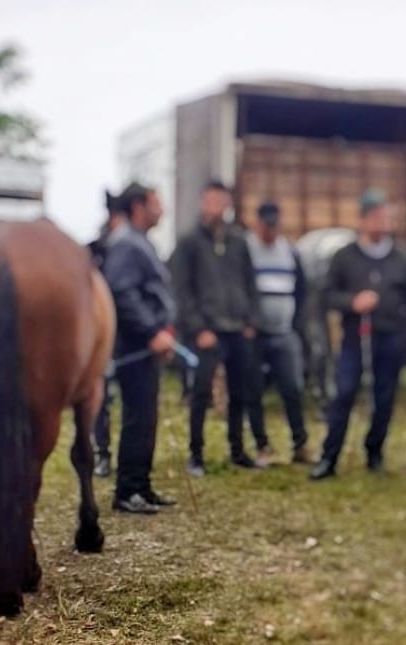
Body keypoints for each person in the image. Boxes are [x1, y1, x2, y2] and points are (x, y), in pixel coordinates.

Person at [310, 189, 406, 480]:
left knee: (384, 399)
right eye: (376, 217)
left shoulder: (403, 258)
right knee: (344, 393)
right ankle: (329, 457)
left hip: (390, 339)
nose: (383, 222)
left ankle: (374, 452)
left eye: (387, 217)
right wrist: (352, 302)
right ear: (362, 220)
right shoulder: (345, 256)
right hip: (355, 339)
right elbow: (326, 296)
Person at [172, 180, 262, 476]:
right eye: (211, 201)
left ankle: (238, 449)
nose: (216, 207)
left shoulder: (238, 240)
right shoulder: (189, 242)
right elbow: (182, 290)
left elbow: (250, 282)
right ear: (203, 203)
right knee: (200, 393)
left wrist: (251, 320)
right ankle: (196, 454)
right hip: (207, 330)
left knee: (240, 391)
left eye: (221, 201)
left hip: (238, 328)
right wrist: (198, 328)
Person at [103, 182, 177, 514]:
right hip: (134, 347)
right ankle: (127, 490)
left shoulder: (140, 242)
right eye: (155, 204)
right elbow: (122, 293)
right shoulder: (126, 244)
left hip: (148, 345)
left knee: (146, 417)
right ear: (138, 207)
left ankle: (141, 486)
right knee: (136, 418)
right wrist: (151, 332)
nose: (162, 210)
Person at [244, 201, 315, 466]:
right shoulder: (246, 250)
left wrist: (295, 322)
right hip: (254, 334)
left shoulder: (289, 251)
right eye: (267, 226)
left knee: (292, 388)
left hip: (284, 332)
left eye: (274, 226)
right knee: (253, 391)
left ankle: (300, 444)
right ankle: (262, 445)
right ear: (258, 224)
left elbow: (302, 290)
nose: (270, 232)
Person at [86, 191, 129, 478]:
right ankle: (102, 451)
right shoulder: (98, 247)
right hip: (104, 328)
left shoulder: (127, 244)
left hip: (126, 327)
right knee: (100, 396)